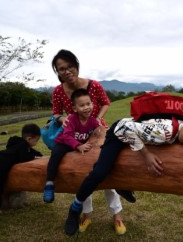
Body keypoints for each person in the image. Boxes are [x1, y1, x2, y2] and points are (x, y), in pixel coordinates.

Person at [63, 111, 183, 236]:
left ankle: (121, 187)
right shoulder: (164, 132)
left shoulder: (179, 129)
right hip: (119, 133)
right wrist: (146, 155)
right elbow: (126, 129)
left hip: (136, 133)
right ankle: (75, 208)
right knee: (99, 173)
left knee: (125, 168)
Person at [48, 49, 126, 234]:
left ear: (76, 66)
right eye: (61, 69)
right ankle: (87, 215)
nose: (67, 71)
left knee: (105, 172)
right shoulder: (58, 91)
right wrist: (62, 120)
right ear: (57, 72)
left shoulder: (94, 85)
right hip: (77, 136)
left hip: (99, 133)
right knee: (84, 174)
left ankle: (117, 216)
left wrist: (98, 118)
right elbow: (56, 113)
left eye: (70, 66)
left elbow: (106, 102)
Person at [0, 123, 42, 224]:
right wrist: (35, 157)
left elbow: (30, 150)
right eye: (36, 140)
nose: (36, 143)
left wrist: (38, 154)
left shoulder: (17, 141)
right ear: (29, 139)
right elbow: (25, 157)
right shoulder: (23, 146)